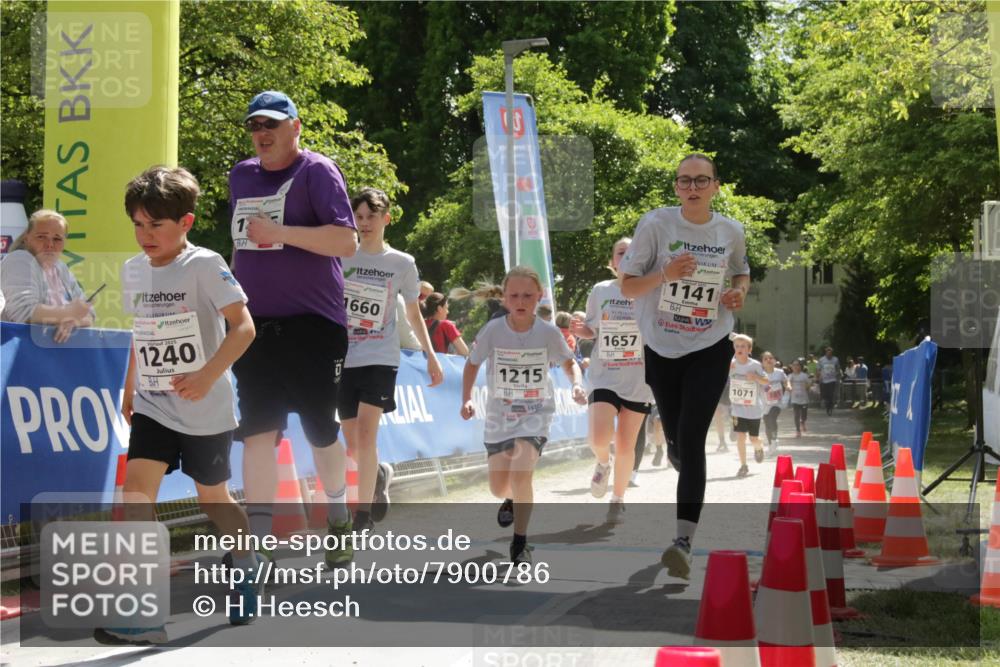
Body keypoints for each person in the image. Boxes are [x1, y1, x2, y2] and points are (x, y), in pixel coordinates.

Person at [96, 166, 260, 645]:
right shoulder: (132, 269)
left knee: (214, 499)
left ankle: (245, 565)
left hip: (206, 405)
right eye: (138, 225)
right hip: (153, 402)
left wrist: (208, 375)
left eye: (156, 225)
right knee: (136, 495)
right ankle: (145, 613)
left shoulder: (205, 265)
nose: (145, 236)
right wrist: (130, 389)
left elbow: (244, 327)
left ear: (185, 223)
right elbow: (140, 332)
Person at [228, 90, 359, 566]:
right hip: (254, 325)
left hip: (314, 325)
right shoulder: (241, 175)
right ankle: (259, 542)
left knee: (320, 429)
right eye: (254, 126)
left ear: (295, 127)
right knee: (258, 431)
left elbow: (346, 241)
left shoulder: (317, 171)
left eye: (271, 125)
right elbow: (242, 246)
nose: (262, 134)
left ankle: (339, 515)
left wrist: (280, 233)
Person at [619, 153, 750, 579]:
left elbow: (741, 274)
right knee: (676, 440)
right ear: (676, 187)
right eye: (683, 181)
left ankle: (683, 542)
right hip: (661, 345)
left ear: (716, 185)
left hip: (711, 342)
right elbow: (628, 285)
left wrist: (738, 294)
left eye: (701, 181)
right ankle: (677, 452)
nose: (692, 188)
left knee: (692, 440)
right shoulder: (656, 225)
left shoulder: (730, 230)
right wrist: (666, 274)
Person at [460, 266, 586, 563]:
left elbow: (569, 363)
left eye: (527, 295)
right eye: (514, 295)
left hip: (536, 413)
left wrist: (577, 384)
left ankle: (520, 542)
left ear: (539, 296)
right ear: (504, 298)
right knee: (498, 487)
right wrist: (466, 399)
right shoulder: (493, 330)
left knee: (522, 470)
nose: (521, 301)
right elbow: (471, 364)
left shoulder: (548, 332)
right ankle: (510, 500)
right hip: (499, 416)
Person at [340, 187, 444, 536]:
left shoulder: (402, 263)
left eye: (372, 216)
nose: (365, 223)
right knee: (353, 442)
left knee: (367, 434)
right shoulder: (340, 256)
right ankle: (381, 473)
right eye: (359, 216)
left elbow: (414, 314)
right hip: (343, 357)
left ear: (386, 219)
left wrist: (430, 356)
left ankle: (362, 515)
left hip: (380, 358)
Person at [570, 237, 653, 521]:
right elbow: (592, 328)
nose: (628, 256)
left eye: (634, 252)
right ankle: (603, 462)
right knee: (598, 437)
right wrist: (583, 332)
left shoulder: (653, 290)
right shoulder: (600, 290)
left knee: (627, 444)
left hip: (639, 379)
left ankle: (617, 499)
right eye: (621, 252)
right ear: (612, 262)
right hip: (605, 374)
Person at [0, 209, 94, 342]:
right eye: (41, 237)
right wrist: (69, 314)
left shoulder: (61, 268)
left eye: (57, 239)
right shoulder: (19, 259)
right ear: (27, 238)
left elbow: (89, 315)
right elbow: (24, 312)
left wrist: (72, 322)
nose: (49, 244)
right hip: (20, 356)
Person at [728, 334, 770, 478]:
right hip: (737, 408)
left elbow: (766, 381)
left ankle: (759, 448)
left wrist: (756, 377)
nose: (740, 349)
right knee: (740, 436)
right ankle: (743, 465)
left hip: (753, 410)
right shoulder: (730, 364)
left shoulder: (755, 365)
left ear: (749, 349)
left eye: (743, 346)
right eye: (737, 346)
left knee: (753, 439)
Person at [422, 291, 469, 356]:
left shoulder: (420, 324)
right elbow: (464, 352)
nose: (448, 312)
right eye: (446, 308)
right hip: (439, 364)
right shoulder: (446, 325)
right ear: (439, 309)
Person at [761, 350, 789, 454]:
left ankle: (774, 439)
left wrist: (788, 386)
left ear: (774, 360)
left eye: (770, 358)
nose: (768, 360)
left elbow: (786, 381)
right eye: (765, 358)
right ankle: (770, 444)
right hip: (764, 403)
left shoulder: (779, 372)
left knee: (772, 418)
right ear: (762, 363)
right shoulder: (760, 374)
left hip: (777, 402)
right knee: (767, 423)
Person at [787, 358, 812, 437]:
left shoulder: (804, 376)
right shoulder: (790, 376)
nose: (795, 367)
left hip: (804, 399)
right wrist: (789, 387)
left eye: (797, 365)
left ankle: (803, 422)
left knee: (804, 415)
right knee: (796, 415)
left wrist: (808, 386)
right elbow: (788, 383)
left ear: (800, 366)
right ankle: (798, 430)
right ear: (791, 367)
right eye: (794, 365)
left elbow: (809, 385)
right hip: (795, 399)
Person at [817, 346, 841, 415]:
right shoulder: (821, 360)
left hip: (832, 379)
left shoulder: (835, 359)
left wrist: (837, 375)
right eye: (828, 353)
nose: (829, 354)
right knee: (826, 395)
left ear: (832, 353)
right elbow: (818, 369)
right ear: (826, 353)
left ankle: (830, 407)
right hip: (824, 380)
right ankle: (828, 406)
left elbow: (838, 368)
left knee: (831, 394)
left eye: (830, 353)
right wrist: (819, 377)